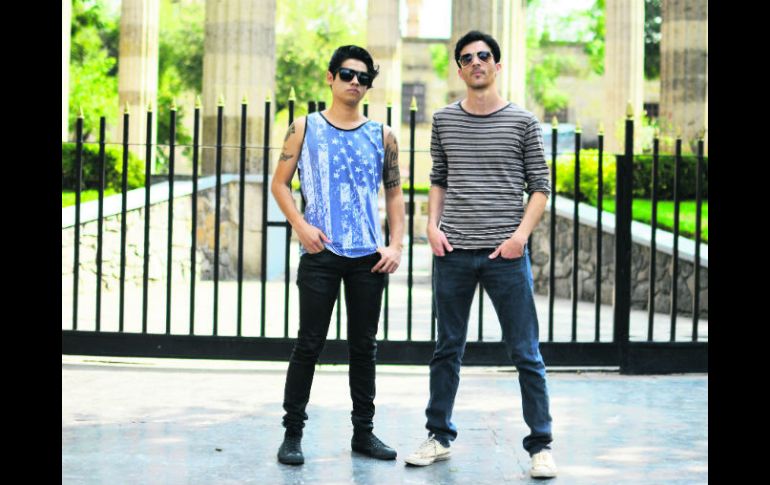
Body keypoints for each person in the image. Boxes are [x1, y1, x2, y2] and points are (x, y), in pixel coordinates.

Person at [403, 31, 557, 479]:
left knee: (526, 352)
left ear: (497, 65)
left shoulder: (523, 122)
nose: (476, 62)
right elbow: (439, 178)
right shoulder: (444, 120)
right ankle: (438, 436)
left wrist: (519, 237)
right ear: (459, 69)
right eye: (467, 57)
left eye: (484, 55)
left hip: (505, 255)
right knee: (446, 349)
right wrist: (431, 226)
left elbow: (540, 187)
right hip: (452, 251)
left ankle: (541, 445)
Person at [270, 45, 405, 466]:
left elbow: (395, 194)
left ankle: (363, 433)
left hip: (368, 257)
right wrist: (301, 225)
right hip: (321, 252)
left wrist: (396, 245)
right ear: (331, 77)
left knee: (364, 347)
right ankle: (292, 434)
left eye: (363, 78)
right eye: (347, 74)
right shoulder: (303, 127)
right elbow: (279, 183)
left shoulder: (383, 135)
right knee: (309, 344)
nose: (355, 83)